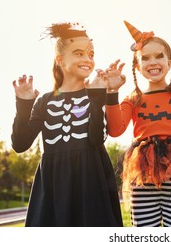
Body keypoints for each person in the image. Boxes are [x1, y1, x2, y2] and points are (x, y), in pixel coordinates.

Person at [11, 22, 123, 227]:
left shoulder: (95, 94)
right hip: (54, 183)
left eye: (91, 54)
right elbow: (20, 144)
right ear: (60, 60)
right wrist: (24, 105)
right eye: (79, 53)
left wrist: (97, 99)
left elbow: (96, 139)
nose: (87, 60)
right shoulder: (44, 101)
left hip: (90, 180)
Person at [105, 21, 171, 227]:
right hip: (143, 171)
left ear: (169, 63)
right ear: (137, 67)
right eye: (146, 58)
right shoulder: (132, 99)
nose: (153, 62)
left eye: (159, 56)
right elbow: (115, 130)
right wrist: (111, 93)